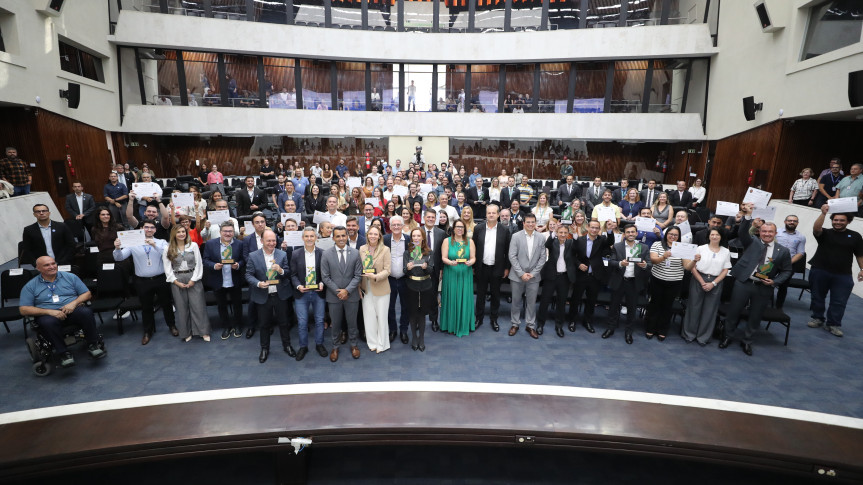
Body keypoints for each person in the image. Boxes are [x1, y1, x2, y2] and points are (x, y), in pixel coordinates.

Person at [718, 208, 793, 356]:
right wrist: (747, 216)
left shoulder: (782, 251)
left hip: (763, 287)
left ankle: (747, 341)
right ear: (759, 232)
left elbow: (787, 271)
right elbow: (742, 232)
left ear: (775, 233)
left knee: (756, 315)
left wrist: (775, 281)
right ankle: (727, 336)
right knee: (734, 311)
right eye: (764, 231)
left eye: (770, 232)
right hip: (744, 282)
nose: (766, 234)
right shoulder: (752, 242)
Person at [19, 257, 106, 368]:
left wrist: (74, 303)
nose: (52, 267)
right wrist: (49, 312)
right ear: (38, 268)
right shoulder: (31, 286)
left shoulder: (70, 277)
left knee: (86, 312)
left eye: (53, 263)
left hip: (72, 310)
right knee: (48, 323)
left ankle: (93, 345)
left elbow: (87, 294)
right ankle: (63, 353)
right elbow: (24, 309)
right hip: (48, 314)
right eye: (47, 265)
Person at [113, 219, 177, 345]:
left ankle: (172, 326)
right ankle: (148, 331)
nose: (149, 230)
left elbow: (169, 255)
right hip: (142, 281)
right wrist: (117, 248)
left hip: (160, 278)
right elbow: (119, 257)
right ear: (141, 229)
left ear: (155, 229)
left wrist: (154, 245)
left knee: (167, 304)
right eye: (146, 227)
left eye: (152, 227)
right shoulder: (133, 243)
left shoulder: (161, 242)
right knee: (146, 307)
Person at [806, 204, 863, 337]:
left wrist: (862, 269)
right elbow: (816, 228)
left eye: (841, 220)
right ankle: (818, 318)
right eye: (835, 220)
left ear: (848, 221)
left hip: (843, 275)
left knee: (839, 301)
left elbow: (860, 255)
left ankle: (833, 324)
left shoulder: (855, 236)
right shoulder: (824, 233)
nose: (838, 222)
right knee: (817, 297)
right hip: (819, 270)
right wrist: (823, 214)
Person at [245, 230, 296, 363]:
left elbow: (288, 273)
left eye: (274, 240)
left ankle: (287, 345)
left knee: (284, 323)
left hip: (281, 295)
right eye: (268, 240)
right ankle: (264, 348)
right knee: (264, 324)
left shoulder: (282, 254)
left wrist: (281, 270)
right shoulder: (253, 256)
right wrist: (258, 283)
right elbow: (248, 275)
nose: (272, 243)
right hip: (263, 295)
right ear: (262, 241)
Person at [681, 228, 731, 346]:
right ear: (708, 236)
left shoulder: (725, 251)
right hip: (698, 279)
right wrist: (702, 281)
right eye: (712, 234)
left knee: (710, 310)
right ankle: (689, 334)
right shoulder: (700, 248)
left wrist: (713, 283)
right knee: (694, 307)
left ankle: (703, 337)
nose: (714, 237)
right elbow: (692, 267)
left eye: (717, 235)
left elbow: (725, 270)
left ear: (721, 237)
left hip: (715, 282)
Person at [603, 225, 651, 344]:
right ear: (624, 234)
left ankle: (629, 332)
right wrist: (620, 263)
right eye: (628, 232)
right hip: (619, 280)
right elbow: (611, 262)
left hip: (634, 282)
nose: (630, 234)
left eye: (632, 232)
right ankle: (610, 328)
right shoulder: (617, 247)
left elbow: (650, 265)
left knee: (632, 308)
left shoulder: (643, 248)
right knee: (613, 307)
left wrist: (644, 265)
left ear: (636, 234)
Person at [321, 225, 363, 361]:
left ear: (347, 236)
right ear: (333, 238)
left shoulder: (355, 253)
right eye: (338, 236)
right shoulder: (326, 254)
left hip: (352, 296)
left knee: (352, 323)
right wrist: (338, 291)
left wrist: (347, 290)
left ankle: (354, 345)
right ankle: (335, 346)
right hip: (334, 296)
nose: (341, 238)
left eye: (343, 235)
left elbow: (358, 275)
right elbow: (325, 277)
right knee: (336, 324)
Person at [163, 224, 210, 342]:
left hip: (193, 277)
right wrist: (175, 282)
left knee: (198, 305)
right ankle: (186, 332)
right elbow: (167, 268)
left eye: (183, 231)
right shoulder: (168, 248)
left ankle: (203, 331)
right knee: (182, 307)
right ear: (174, 234)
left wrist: (194, 279)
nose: (181, 234)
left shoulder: (193, 245)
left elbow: (199, 264)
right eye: (178, 232)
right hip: (177, 278)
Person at [203, 220, 246, 340]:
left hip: (234, 279)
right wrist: (213, 265)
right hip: (218, 279)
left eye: (230, 231)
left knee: (237, 304)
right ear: (220, 232)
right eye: (225, 231)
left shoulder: (239, 244)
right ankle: (226, 326)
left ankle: (238, 325)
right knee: (221, 305)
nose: (228, 233)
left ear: (234, 232)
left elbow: (244, 259)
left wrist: (238, 265)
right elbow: (205, 260)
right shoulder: (210, 244)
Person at [290, 227, 328, 361]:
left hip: (318, 292)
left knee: (319, 320)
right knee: (302, 322)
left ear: (316, 238)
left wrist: (323, 282)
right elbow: (293, 275)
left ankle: (319, 344)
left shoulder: (323, 253)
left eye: (312, 236)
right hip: (302, 293)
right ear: (302, 238)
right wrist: (298, 286)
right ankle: (303, 346)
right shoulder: (295, 254)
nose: (309, 239)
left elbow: (326, 273)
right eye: (306, 236)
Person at [472, 204, 510, 332]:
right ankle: (479, 318)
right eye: (489, 213)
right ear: (486, 214)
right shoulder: (478, 229)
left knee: (495, 295)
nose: (491, 215)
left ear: (498, 215)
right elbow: (474, 249)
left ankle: (494, 319)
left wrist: (506, 268)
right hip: (481, 267)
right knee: (480, 295)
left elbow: (507, 250)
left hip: (497, 268)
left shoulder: (505, 230)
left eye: (494, 213)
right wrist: (473, 266)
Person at [507, 214, 546, 339]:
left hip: (534, 277)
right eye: (528, 222)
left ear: (535, 223)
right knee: (516, 301)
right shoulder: (516, 236)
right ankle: (515, 324)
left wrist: (533, 273)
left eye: (532, 222)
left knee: (531, 302)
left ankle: (530, 325)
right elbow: (512, 256)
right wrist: (521, 273)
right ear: (523, 223)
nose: (530, 224)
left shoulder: (541, 237)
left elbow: (543, 258)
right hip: (517, 275)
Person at [645, 226, 685, 342]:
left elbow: (687, 266)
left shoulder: (682, 248)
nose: (673, 236)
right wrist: (663, 257)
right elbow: (653, 260)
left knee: (667, 306)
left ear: (679, 237)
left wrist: (694, 261)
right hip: (657, 279)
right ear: (666, 234)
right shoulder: (657, 244)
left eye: (675, 235)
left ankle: (662, 330)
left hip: (674, 281)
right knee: (654, 304)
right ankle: (650, 328)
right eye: (670, 234)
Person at [537, 225, 577, 338]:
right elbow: (547, 244)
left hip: (564, 277)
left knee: (561, 302)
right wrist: (553, 232)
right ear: (557, 233)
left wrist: (574, 234)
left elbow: (578, 246)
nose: (563, 235)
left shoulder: (570, 243)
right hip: (551, 276)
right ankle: (540, 324)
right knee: (545, 301)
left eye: (565, 233)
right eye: (560, 232)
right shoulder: (552, 242)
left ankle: (559, 326)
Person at [570, 220, 609, 334]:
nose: (594, 230)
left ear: (599, 229)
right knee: (575, 299)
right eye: (592, 227)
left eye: (597, 228)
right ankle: (572, 320)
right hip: (581, 275)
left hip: (595, 276)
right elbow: (572, 255)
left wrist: (610, 230)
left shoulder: (601, 240)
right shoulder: (580, 240)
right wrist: (578, 264)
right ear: (587, 227)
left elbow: (610, 241)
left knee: (591, 301)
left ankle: (587, 321)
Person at [440, 219, 476, 337]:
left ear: (464, 229)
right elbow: (444, 258)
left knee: (464, 298)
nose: (460, 229)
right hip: (451, 272)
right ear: (453, 228)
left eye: (462, 227)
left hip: (465, 273)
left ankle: (464, 324)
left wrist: (471, 262)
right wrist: (450, 263)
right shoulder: (447, 241)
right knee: (451, 297)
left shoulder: (470, 242)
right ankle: (450, 325)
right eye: (457, 227)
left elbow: (473, 257)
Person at [359, 226, 392, 353]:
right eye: (370, 234)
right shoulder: (362, 249)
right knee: (369, 317)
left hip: (381, 287)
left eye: (375, 234)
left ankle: (382, 344)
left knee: (382, 317)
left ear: (379, 236)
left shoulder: (385, 249)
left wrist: (376, 277)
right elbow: (358, 268)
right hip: (366, 288)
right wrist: (358, 287)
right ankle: (372, 342)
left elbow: (388, 270)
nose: (373, 236)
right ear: (367, 235)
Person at [404, 227, 435, 351]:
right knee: (412, 313)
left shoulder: (429, 252)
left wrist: (425, 267)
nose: (416, 238)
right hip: (411, 286)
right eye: (414, 236)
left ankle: (421, 338)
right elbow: (404, 271)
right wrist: (408, 268)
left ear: (423, 238)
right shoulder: (407, 253)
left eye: (418, 236)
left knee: (422, 314)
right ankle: (414, 338)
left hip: (426, 286)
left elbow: (431, 270)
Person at [774, 214, 807, 308]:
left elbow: (800, 253)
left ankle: (778, 307)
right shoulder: (776, 232)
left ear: (797, 223)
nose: (792, 222)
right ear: (785, 222)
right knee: (765, 281)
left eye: (794, 221)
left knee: (783, 286)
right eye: (789, 220)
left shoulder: (801, 237)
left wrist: (789, 263)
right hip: (772, 262)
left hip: (789, 264)